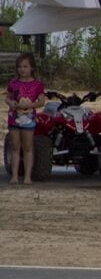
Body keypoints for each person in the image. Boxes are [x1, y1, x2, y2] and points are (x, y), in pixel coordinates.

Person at [7, 51, 44, 184]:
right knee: (15, 147)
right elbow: (8, 97)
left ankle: (28, 176)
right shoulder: (13, 83)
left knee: (28, 147)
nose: (22, 69)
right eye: (20, 67)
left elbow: (41, 101)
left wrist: (30, 104)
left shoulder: (37, 85)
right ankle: (14, 176)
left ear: (32, 67)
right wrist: (12, 103)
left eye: (25, 66)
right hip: (14, 118)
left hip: (29, 119)